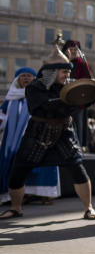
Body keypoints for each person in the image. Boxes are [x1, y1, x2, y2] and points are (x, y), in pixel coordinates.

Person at [0, 46, 95, 220]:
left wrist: (86, 94)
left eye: (68, 72)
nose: (67, 75)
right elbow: (41, 107)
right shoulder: (35, 88)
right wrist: (68, 100)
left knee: (77, 168)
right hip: (37, 133)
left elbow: (78, 105)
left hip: (64, 132)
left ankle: (89, 208)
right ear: (51, 71)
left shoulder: (70, 85)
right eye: (63, 72)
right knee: (19, 170)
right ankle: (16, 208)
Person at [0, 68, 61, 207]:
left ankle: (46, 194)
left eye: (29, 76)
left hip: (40, 136)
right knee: (19, 166)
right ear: (18, 80)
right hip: (15, 140)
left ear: (34, 79)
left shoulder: (40, 95)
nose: (26, 78)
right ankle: (24, 194)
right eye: (23, 76)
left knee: (44, 163)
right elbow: (2, 117)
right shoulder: (10, 99)